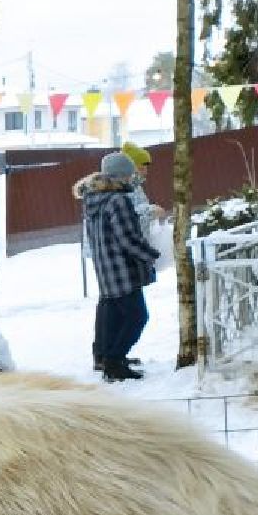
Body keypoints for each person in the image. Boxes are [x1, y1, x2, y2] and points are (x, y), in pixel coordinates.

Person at [78, 151, 161, 381]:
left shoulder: (94, 198)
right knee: (137, 316)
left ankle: (104, 356)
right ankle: (114, 362)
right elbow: (127, 239)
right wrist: (151, 254)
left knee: (111, 314)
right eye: (129, 173)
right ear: (122, 175)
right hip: (123, 268)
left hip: (105, 267)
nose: (131, 178)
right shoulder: (118, 200)